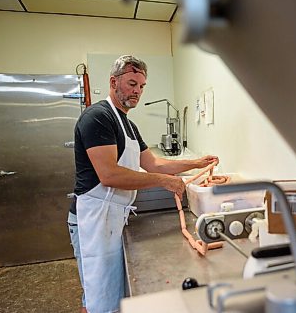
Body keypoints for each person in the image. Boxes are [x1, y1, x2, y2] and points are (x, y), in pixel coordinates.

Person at [67, 55, 218, 313]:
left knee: (110, 294)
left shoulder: (128, 123)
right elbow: (110, 175)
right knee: (97, 296)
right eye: (131, 83)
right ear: (113, 82)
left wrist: (195, 164)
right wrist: (165, 181)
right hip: (94, 219)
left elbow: (154, 164)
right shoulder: (98, 117)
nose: (137, 91)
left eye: (141, 86)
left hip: (114, 216)